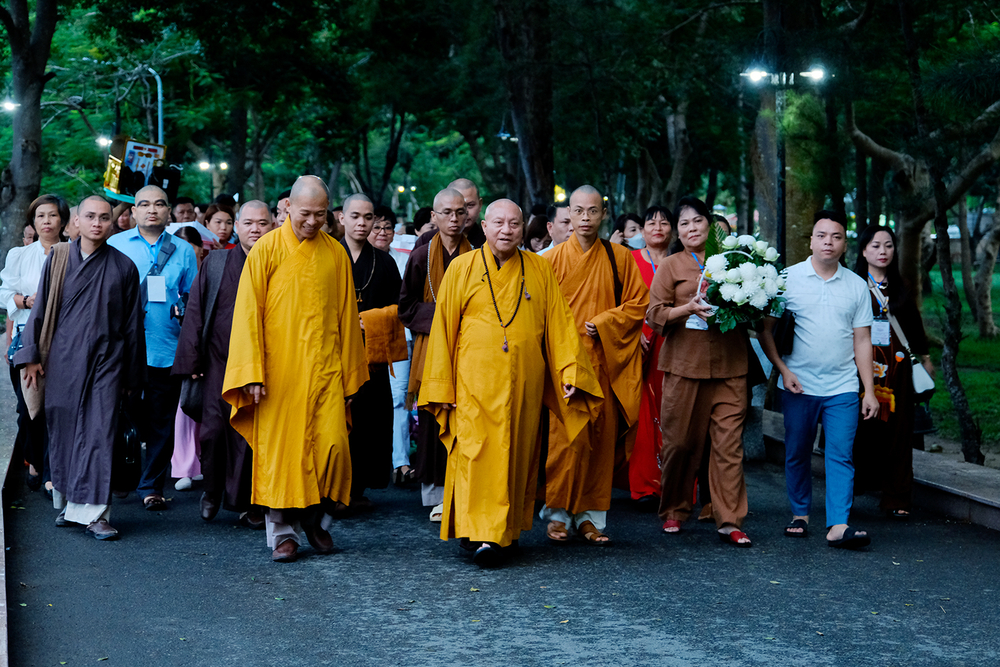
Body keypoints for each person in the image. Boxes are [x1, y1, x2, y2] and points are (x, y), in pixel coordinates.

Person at [420, 199, 601, 567]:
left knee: (514, 457)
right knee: (477, 457)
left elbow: (560, 326)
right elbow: (442, 332)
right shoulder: (461, 268)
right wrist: (443, 387)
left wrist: (570, 372)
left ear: (524, 228)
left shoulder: (539, 269)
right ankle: (484, 534)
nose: (506, 230)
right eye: (499, 223)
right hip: (472, 386)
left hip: (523, 386)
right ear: (483, 226)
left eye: (514, 224)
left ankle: (502, 531)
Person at [222, 176, 368, 563]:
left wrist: (351, 374)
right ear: (287, 207)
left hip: (325, 371)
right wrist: (251, 372)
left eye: (321, 214)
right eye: (305, 213)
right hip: (278, 375)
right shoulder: (267, 249)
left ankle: (316, 521)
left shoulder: (335, 253)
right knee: (281, 457)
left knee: (332, 448)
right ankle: (282, 533)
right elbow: (248, 316)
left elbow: (346, 315)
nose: (312, 221)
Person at [15, 195, 145, 539]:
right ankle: (73, 507)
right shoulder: (58, 259)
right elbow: (39, 311)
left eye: (104, 217)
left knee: (100, 433)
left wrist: (132, 375)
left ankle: (98, 513)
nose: (98, 223)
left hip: (107, 362)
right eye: (90, 216)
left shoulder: (124, 267)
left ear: (113, 221)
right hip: (63, 361)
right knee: (66, 433)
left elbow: (133, 325)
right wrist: (30, 356)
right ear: (76, 222)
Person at [758, 210, 879, 550]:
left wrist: (868, 390)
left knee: (840, 454)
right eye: (822, 235)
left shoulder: (857, 286)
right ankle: (800, 514)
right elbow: (765, 331)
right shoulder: (786, 279)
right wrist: (784, 371)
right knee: (796, 450)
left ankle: (838, 524)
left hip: (842, 387)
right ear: (810, 240)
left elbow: (862, 340)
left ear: (844, 244)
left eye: (836, 236)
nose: (828, 242)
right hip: (799, 385)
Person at [541, 185, 648, 544]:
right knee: (564, 440)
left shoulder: (619, 258)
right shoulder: (549, 260)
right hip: (564, 363)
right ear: (567, 215)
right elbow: (538, 313)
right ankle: (557, 513)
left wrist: (605, 322)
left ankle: (591, 518)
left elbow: (638, 305)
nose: (585, 218)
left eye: (592, 211)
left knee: (600, 441)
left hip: (604, 361)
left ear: (604, 214)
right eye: (578, 211)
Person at [645, 196, 753, 547]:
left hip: (730, 366)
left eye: (698, 221)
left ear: (711, 224)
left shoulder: (736, 263)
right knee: (679, 444)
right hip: (683, 366)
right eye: (685, 224)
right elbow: (654, 316)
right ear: (679, 231)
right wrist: (686, 308)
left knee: (728, 445)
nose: (692, 228)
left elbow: (756, 309)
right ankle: (675, 508)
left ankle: (730, 519)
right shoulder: (672, 265)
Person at [173, 201, 274, 527]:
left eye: (262, 223)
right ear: (237, 227)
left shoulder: (277, 264)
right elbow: (197, 312)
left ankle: (248, 502)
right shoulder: (216, 262)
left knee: (252, 436)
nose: (255, 229)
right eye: (248, 223)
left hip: (261, 365)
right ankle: (212, 491)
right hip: (219, 361)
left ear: (272, 225)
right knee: (213, 432)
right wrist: (192, 360)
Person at [108, 185, 199, 511]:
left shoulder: (184, 251)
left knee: (162, 421)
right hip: (124, 351)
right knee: (121, 417)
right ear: (132, 212)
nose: (152, 210)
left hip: (167, 347)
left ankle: (151, 486)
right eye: (143, 204)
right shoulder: (115, 245)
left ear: (168, 210)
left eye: (159, 204)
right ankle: (122, 476)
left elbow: (193, 300)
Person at [399, 188, 474, 521]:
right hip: (432, 348)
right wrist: (445, 316)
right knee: (432, 417)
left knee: (469, 416)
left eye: (460, 212)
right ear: (434, 215)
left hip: (470, 347)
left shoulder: (480, 253)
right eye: (447, 213)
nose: (454, 219)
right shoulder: (420, 255)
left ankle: (468, 487)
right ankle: (436, 491)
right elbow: (407, 307)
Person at [852, 225, 932, 519]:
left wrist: (924, 356)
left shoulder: (903, 286)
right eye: (875, 246)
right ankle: (854, 488)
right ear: (863, 250)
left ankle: (896, 496)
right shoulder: (852, 284)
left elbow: (915, 325)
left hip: (897, 371)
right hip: (860, 368)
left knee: (899, 432)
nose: (882, 251)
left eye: (888, 245)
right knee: (859, 429)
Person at [1, 194, 70, 494]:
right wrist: (26, 301)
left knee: (57, 406)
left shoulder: (74, 253)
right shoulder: (19, 254)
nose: (46, 221)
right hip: (26, 338)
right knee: (26, 407)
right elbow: (5, 294)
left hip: (63, 340)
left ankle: (52, 468)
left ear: (63, 221)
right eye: (40, 216)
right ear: (33, 220)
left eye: (52, 215)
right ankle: (34, 460)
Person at [339, 194, 403, 508]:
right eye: (355, 216)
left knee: (367, 423)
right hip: (333, 353)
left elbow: (400, 306)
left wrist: (370, 320)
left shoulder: (384, 261)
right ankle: (332, 489)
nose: (362, 223)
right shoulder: (326, 254)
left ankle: (356, 489)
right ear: (341, 218)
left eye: (367, 217)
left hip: (370, 356)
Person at [627, 206, 673, 511]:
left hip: (673, 342)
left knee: (672, 410)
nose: (657, 226)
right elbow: (621, 301)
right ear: (641, 230)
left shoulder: (683, 262)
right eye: (650, 221)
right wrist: (633, 334)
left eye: (664, 221)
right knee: (642, 413)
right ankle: (644, 485)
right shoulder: (629, 261)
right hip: (638, 342)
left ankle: (674, 484)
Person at [369, 205, 416, 483]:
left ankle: (400, 461)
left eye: (387, 228)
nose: (382, 233)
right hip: (366, 340)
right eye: (377, 227)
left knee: (399, 400)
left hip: (400, 339)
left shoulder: (404, 259)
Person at [449, 177, 485, 247]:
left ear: (480, 205)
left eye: (470, 205)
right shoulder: (428, 239)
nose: (465, 212)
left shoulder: (490, 241)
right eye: (459, 206)